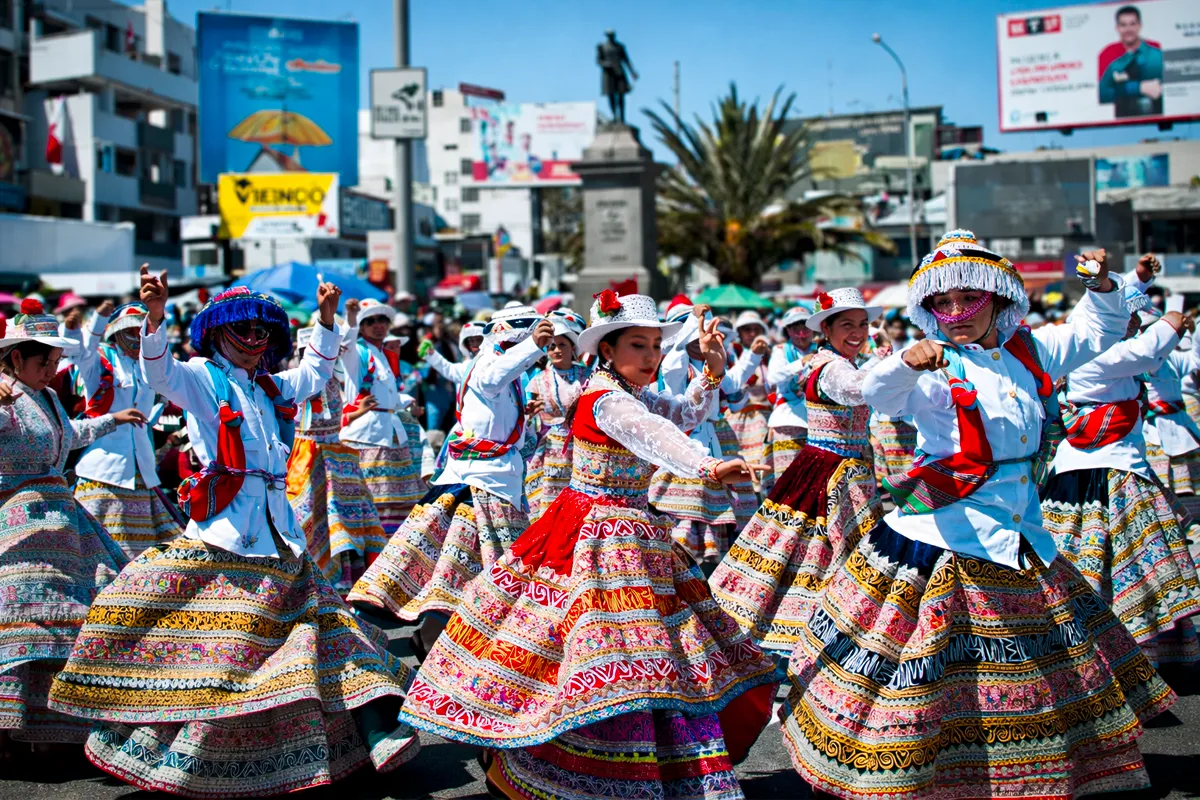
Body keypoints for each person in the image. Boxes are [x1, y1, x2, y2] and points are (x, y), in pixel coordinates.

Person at [780, 232, 1175, 798]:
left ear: (999, 299)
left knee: (1034, 674)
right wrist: (904, 363)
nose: (955, 313)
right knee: (925, 679)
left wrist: (1106, 284)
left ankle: (1021, 776)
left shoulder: (1030, 351)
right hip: (949, 537)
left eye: (969, 298)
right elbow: (874, 390)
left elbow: (1094, 333)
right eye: (942, 303)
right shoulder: (930, 366)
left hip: (1021, 532)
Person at [397, 291, 780, 799]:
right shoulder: (608, 397)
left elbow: (682, 414)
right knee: (602, 651)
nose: (650, 356)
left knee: (645, 652)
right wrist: (708, 465)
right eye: (638, 345)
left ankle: (640, 764)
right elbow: (656, 435)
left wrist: (709, 373)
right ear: (606, 350)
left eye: (654, 347)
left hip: (632, 532)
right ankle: (568, 764)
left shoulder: (631, 390)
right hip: (596, 535)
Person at [48, 274, 420, 796]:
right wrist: (155, 317)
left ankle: (375, 727)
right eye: (241, 329)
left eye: (261, 331)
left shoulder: (268, 384)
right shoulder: (201, 377)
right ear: (218, 333)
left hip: (280, 531)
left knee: (326, 624)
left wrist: (330, 320)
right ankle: (194, 753)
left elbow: (314, 374)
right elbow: (160, 374)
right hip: (225, 531)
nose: (253, 339)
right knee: (225, 651)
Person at [348, 305, 551, 660]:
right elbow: (489, 380)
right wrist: (532, 345)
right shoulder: (489, 362)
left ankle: (437, 640)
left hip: (497, 482)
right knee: (466, 570)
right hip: (476, 484)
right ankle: (440, 642)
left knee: (465, 572)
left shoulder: (512, 371)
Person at [710, 288, 885, 658]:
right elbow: (856, 391)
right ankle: (813, 632)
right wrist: (894, 362)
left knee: (826, 554)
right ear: (826, 329)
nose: (857, 332)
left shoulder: (845, 362)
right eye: (847, 325)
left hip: (849, 472)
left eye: (863, 324)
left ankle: (839, 628)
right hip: (826, 470)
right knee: (812, 553)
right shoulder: (833, 366)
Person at [0, 300, 142, 753]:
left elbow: (69, 436)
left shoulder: (47, 397)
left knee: (89, 611)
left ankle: (55, 728)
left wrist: (110, 421)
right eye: (46, 362)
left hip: (66, 521)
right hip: (18, 525)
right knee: (24, 618)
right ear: (17, 358)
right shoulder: (3, 398)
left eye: (57, 362)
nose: (53, 370)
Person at [1042, 262, 1200, 667]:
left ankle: (1121, 650)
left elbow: (1099, 308)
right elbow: (1150, 347)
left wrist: (1139, 276)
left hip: (1090, 471)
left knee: (1101, 560)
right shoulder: (1102, 354)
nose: (1133, 322)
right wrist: (1174, 318)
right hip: (1109, 474)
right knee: (1130, 562)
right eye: (1129, 316)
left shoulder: (1089, 348)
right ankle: (1120, 651)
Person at [71, 301, 185, 561]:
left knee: (147, 554)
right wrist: (98, 318)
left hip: (141, 472)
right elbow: (84, 350)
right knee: (102, 554)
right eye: (129, 330)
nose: (136, 337)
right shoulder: (99, 362)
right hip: (104, 472)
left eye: (140, 331)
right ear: (116, 332)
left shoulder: (148, 368)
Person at [650, 302, 757, 567]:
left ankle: (709, 550)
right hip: (683, 438)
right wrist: (692, 321)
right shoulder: (673, 369)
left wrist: (751, 357)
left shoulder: (710, 364)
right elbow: (675, 359)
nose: (699, 339)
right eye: (694, 334)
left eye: (703, 332)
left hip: (710, 436)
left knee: (709, 492)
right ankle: (682, 550)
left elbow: (732, 383)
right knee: (687, 497)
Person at [286, 322, 388, 592]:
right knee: (309, 520)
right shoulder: (295, 380)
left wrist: (356, 413)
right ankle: (308, 585)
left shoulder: (332, 381)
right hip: (306, 458)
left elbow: (330, 420)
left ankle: (340, 586)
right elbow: (300, 422)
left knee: (341, 526)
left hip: (335, 458)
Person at [340, 299, 424, 534]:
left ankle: (389, 545)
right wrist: (351, 316)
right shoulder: (357, 352)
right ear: (362, 326)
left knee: (397, 501)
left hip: (390, 432)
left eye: (382, 320)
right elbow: (346, 340)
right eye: (370, 321)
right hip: (368, 435)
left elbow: (389, 396)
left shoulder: (383, 354)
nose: (378, 325)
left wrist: (407, 403)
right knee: (370, 499)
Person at [522, 308, 590, 522]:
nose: (557, 350)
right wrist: (530, 413)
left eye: (562, 344)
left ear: (572, 347)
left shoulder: (588, 375)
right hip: (551, 450)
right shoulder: (538, 380)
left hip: (582, 445)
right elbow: (527, 417)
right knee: (550, 501)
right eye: (552, 346)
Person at [765, 305, 819, 483]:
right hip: (789, 418)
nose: (802, 333)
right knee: (789, 476)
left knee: (815, 476)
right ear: (788, 330)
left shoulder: (820, 349)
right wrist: (801, 363)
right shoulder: (781, 350)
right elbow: (772, 377)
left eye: (805, 327)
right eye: (796, 328)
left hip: (819, 420)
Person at [726, 310, 774, 492]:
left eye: (756, 329)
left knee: (763, 462)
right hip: (738, 420)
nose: (752, 334)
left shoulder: (768, 355)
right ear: (740, 333)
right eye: (747, 330)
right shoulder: (733, 354)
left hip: (763, 416)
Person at [1098, 5, 1163, 119]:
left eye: (1132, 24)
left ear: (1140, 25)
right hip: (1121, 116)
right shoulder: (1111, 59)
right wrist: (1138, 88)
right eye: (1123, 25)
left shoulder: (1157, 55)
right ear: (1117, 28)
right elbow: (1102, 94)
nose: (1128, 29)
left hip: (1158, 113)